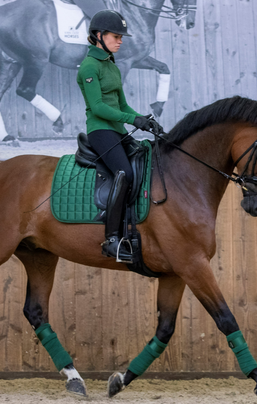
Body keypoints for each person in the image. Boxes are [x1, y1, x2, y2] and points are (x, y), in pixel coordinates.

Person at [76, 9, 163, 262]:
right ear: (99, 35)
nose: (121, 40)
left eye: (121, 36)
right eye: (116, 36)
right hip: (100, 132)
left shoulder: (111, 65)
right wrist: (132, 120)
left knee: (145, 163)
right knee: (124, 173)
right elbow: (99, 108)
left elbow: (122, 106)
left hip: (117, 131)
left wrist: (144, 120)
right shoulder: (89, 67)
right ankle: (112, 239)